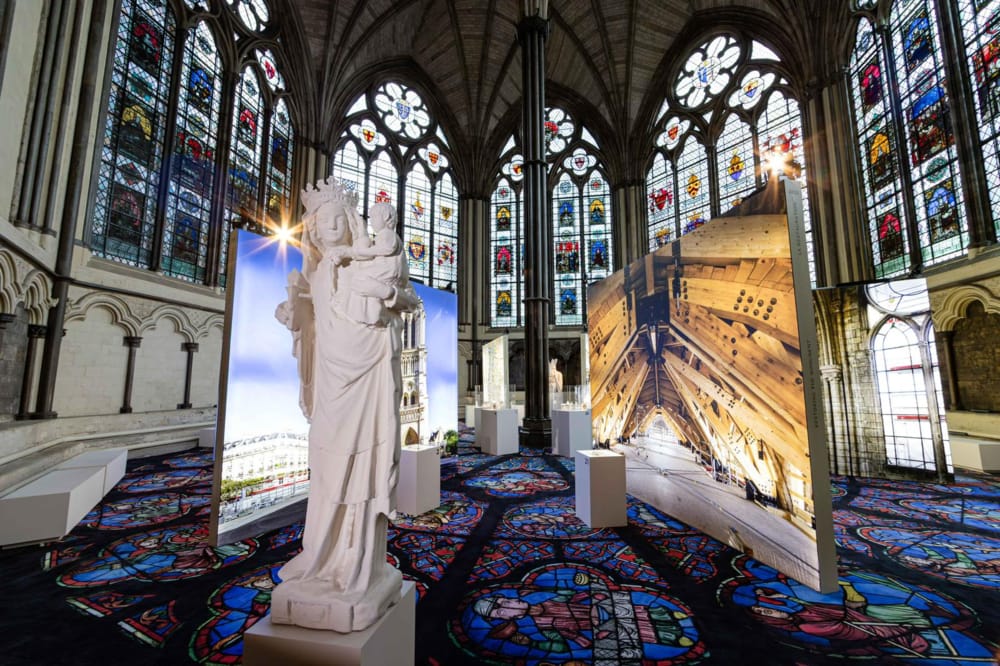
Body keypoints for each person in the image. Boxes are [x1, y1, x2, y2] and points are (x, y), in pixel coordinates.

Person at [270, 177, 419, 633]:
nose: (331, 228)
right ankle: (319, 559)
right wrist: (294, 316)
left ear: (350, 221)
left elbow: (408, 300)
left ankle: (356, 565)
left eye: (339, 219)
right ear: (313, 229)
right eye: (322, 222)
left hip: (369, 375)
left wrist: (388, 298)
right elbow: (311, 328)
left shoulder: (372, 261)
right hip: (334, 385)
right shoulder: (315, 273)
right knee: (327, 466)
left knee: (362, 470)